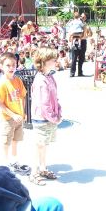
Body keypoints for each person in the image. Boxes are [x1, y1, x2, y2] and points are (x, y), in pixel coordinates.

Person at [29, 47, 62, 186]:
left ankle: (42, 168)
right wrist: (54, 117)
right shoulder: (41, 81)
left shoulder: (50, 77)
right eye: (52, 59)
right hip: (42, 118)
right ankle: (33, 172)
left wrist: (59, 111)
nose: (56, 61)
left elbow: (55, 98)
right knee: (39, 145)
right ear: (43, 62)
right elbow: (44, 104)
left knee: (44, 145)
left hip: (49, 118)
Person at [0, 52, 30, 173]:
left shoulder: (18, 81)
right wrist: (12, 115)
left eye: (13, 65)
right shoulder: (2, 84)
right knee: (7, 140)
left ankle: (14, 160)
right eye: (8, 65)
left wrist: (23, 112)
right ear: (1, 66)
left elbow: (23, 96)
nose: (11, 68)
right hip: (8, 119)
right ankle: (6, 162)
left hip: (19, 117)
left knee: (16, 139)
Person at [67, 12, 85, 77]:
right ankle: (72, 72)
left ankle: (79, 72)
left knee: (81, 58)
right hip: (78, 35)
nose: (82, 18)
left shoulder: (74, 22)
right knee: (74, 58)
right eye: (81, 17)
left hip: (78, 38)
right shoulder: (80, 22)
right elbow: (83, 27)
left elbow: (69, 26)